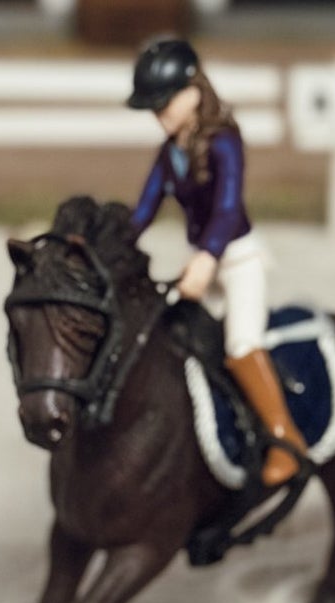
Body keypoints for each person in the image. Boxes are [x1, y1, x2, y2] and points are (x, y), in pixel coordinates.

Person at [126, 37, 307, 486]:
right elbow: (144, 209)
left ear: (192, 92)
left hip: (236, 257)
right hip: (201, 259)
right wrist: (112, 241)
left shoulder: (224, 142)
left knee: (240, 343)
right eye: (154, 108)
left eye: (164, 103)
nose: (159, 115)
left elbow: (227, 209)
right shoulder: (170, 154)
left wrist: (207, 260)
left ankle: (286, 439)